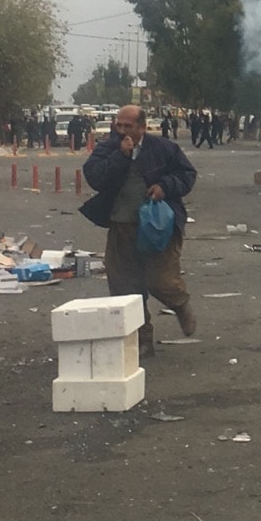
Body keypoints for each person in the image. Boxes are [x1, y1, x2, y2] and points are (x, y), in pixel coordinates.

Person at [79, 104, 198, 358]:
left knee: (160, 280)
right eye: (118, 125)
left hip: (159, 227)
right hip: (121, 226)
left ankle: (180, 304)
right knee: (124, 286)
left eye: (128, 126)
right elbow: (95, 178)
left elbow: (186, 174)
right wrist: (120, 156)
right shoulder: (108, 149)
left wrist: (165, 186)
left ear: (143, 127)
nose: (122, 131)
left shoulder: (164, 149)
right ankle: (142, 339)